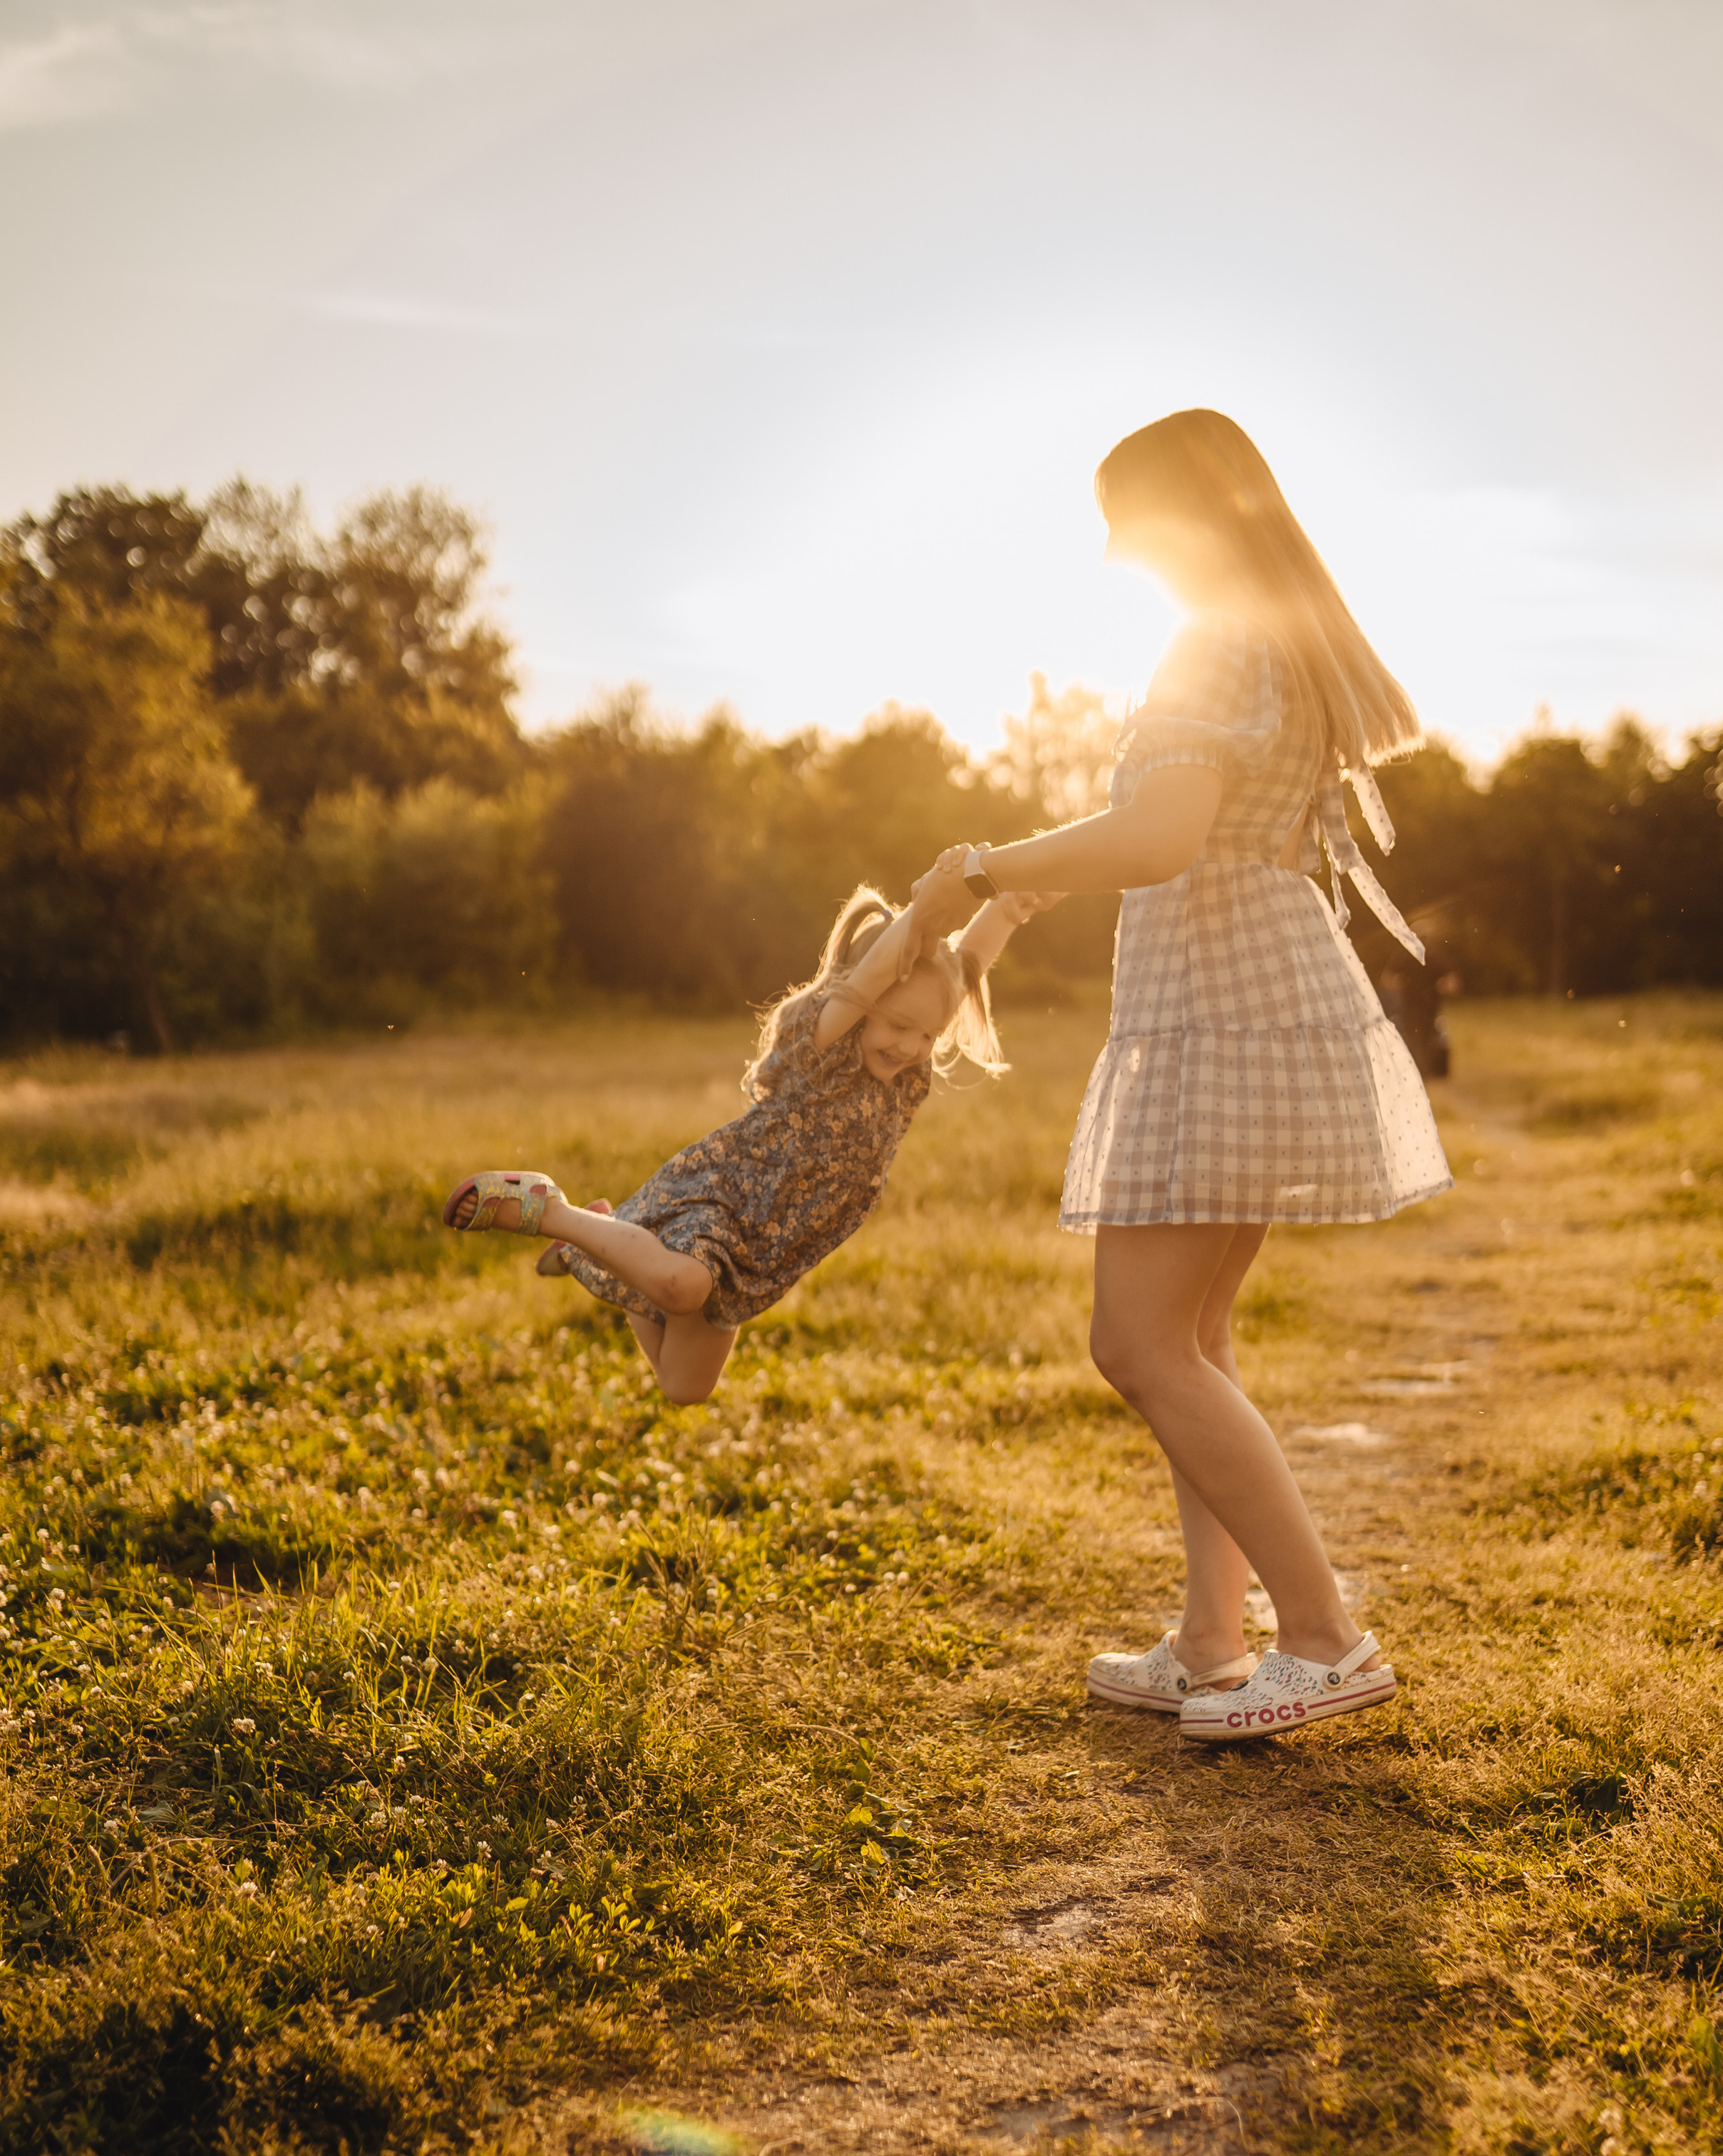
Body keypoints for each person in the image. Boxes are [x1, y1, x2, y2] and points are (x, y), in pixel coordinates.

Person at [905, 408, 1453, 1741]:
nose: (1109, 552)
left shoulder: (1213, 638)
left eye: (1121, 520)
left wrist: (983, 866)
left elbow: (1157, 837)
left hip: (1223, 1011)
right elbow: (1164, 834)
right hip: (1254, 995)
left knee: (1140, 1343)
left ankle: (1323, 1638)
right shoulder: (1269, 636)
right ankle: (1213, 1641)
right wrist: (1021, 890)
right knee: (1193, 1342)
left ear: (1184, 511)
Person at [441, 883, 1046, 1404]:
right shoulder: (826, 1046)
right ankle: (551, 1211)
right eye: (898, 1026)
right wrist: (927, 907)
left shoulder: (906, 1074)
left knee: (684, 1386)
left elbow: (966, 966)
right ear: (860, 1003)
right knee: (683, 1286)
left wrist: (1007, 908)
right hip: (727, 1198)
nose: (913, 1047)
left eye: (928, 1035)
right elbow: (873, 975)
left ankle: (609, 1237)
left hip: (764, 1249)